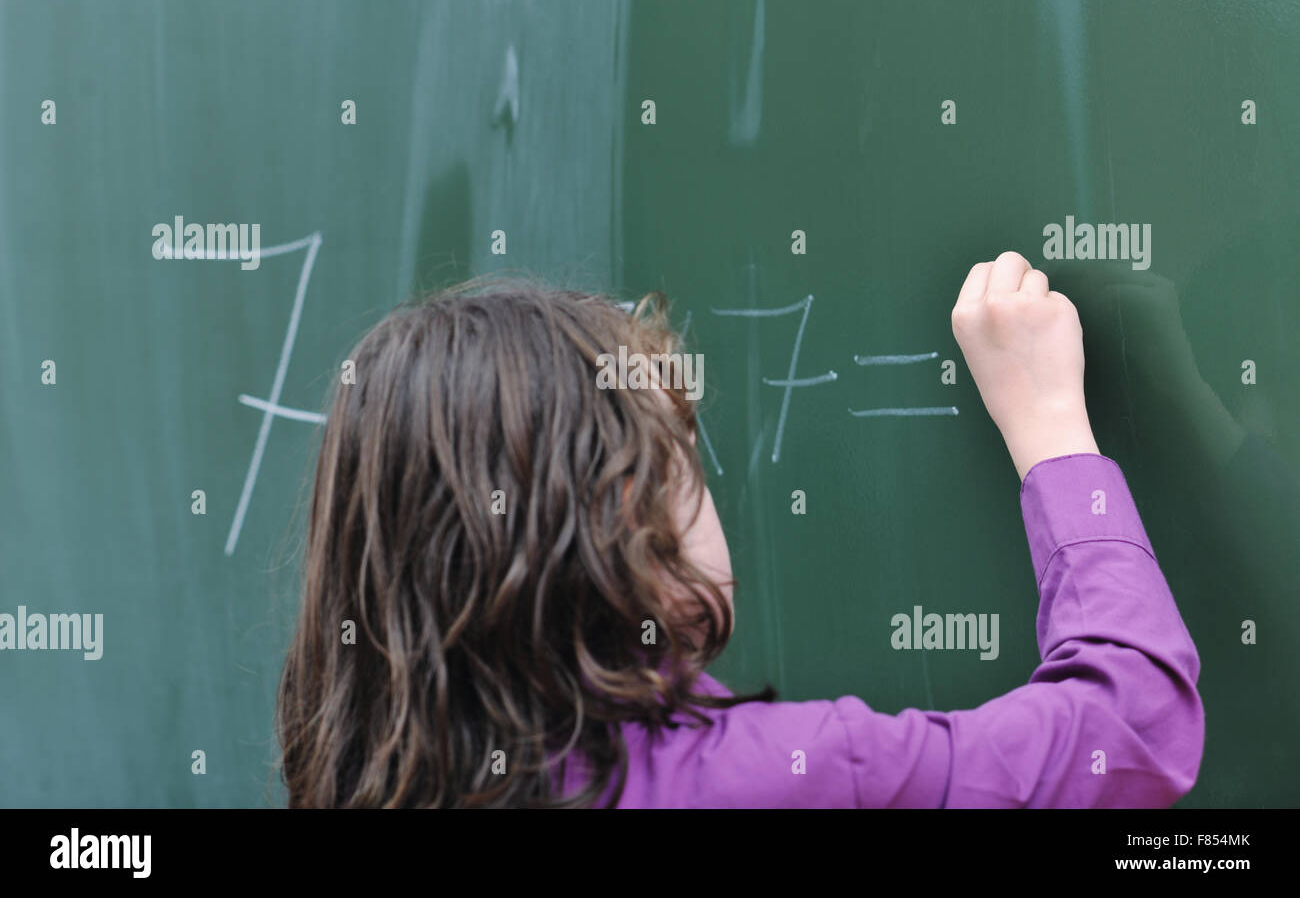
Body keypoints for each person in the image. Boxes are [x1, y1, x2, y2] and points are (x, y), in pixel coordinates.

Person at [276, 251, 1203, 807]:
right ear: (631, 539)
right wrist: (1049, 425)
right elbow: (1131, 729)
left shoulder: (364, 780)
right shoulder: (780, 778)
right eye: (683, 461)